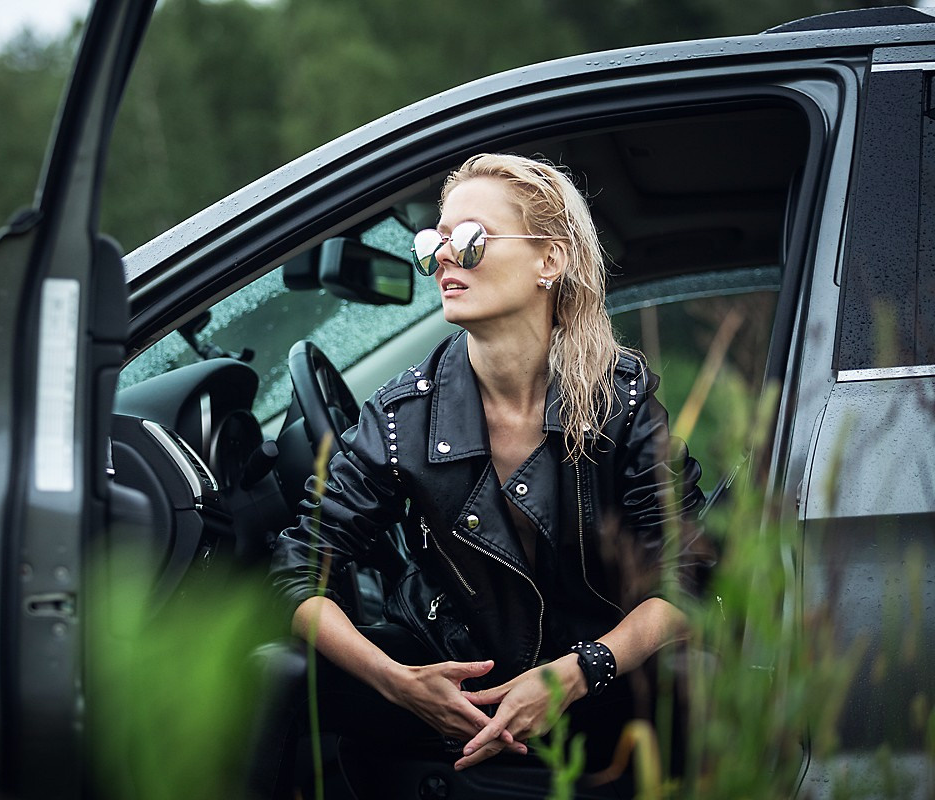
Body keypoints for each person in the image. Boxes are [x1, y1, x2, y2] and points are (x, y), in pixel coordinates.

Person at [267, 153, 710, 791]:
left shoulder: (622, 399)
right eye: (434, 242)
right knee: (275, 677)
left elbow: (687, 577)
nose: (444, 258)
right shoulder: (400, 418)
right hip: (456, 709)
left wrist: (575, 674)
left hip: (605, 701)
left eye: (470, 240)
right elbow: (300, 571)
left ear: (548, 261)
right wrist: (398, 682)